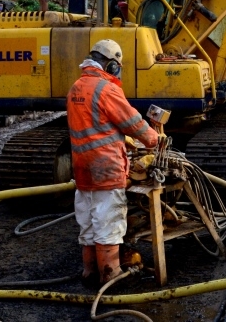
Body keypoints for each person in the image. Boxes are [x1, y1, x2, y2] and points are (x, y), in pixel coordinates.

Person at [67, 39, 159, 286]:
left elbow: (95, 126)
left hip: (82, 169)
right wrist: (153, 139)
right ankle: (111, 276)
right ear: (111, 65)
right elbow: (133, 123)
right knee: (109, 224)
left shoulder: (77, 87)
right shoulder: (106, 89)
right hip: (105, 169)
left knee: (87, 223)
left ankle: (89, 272)